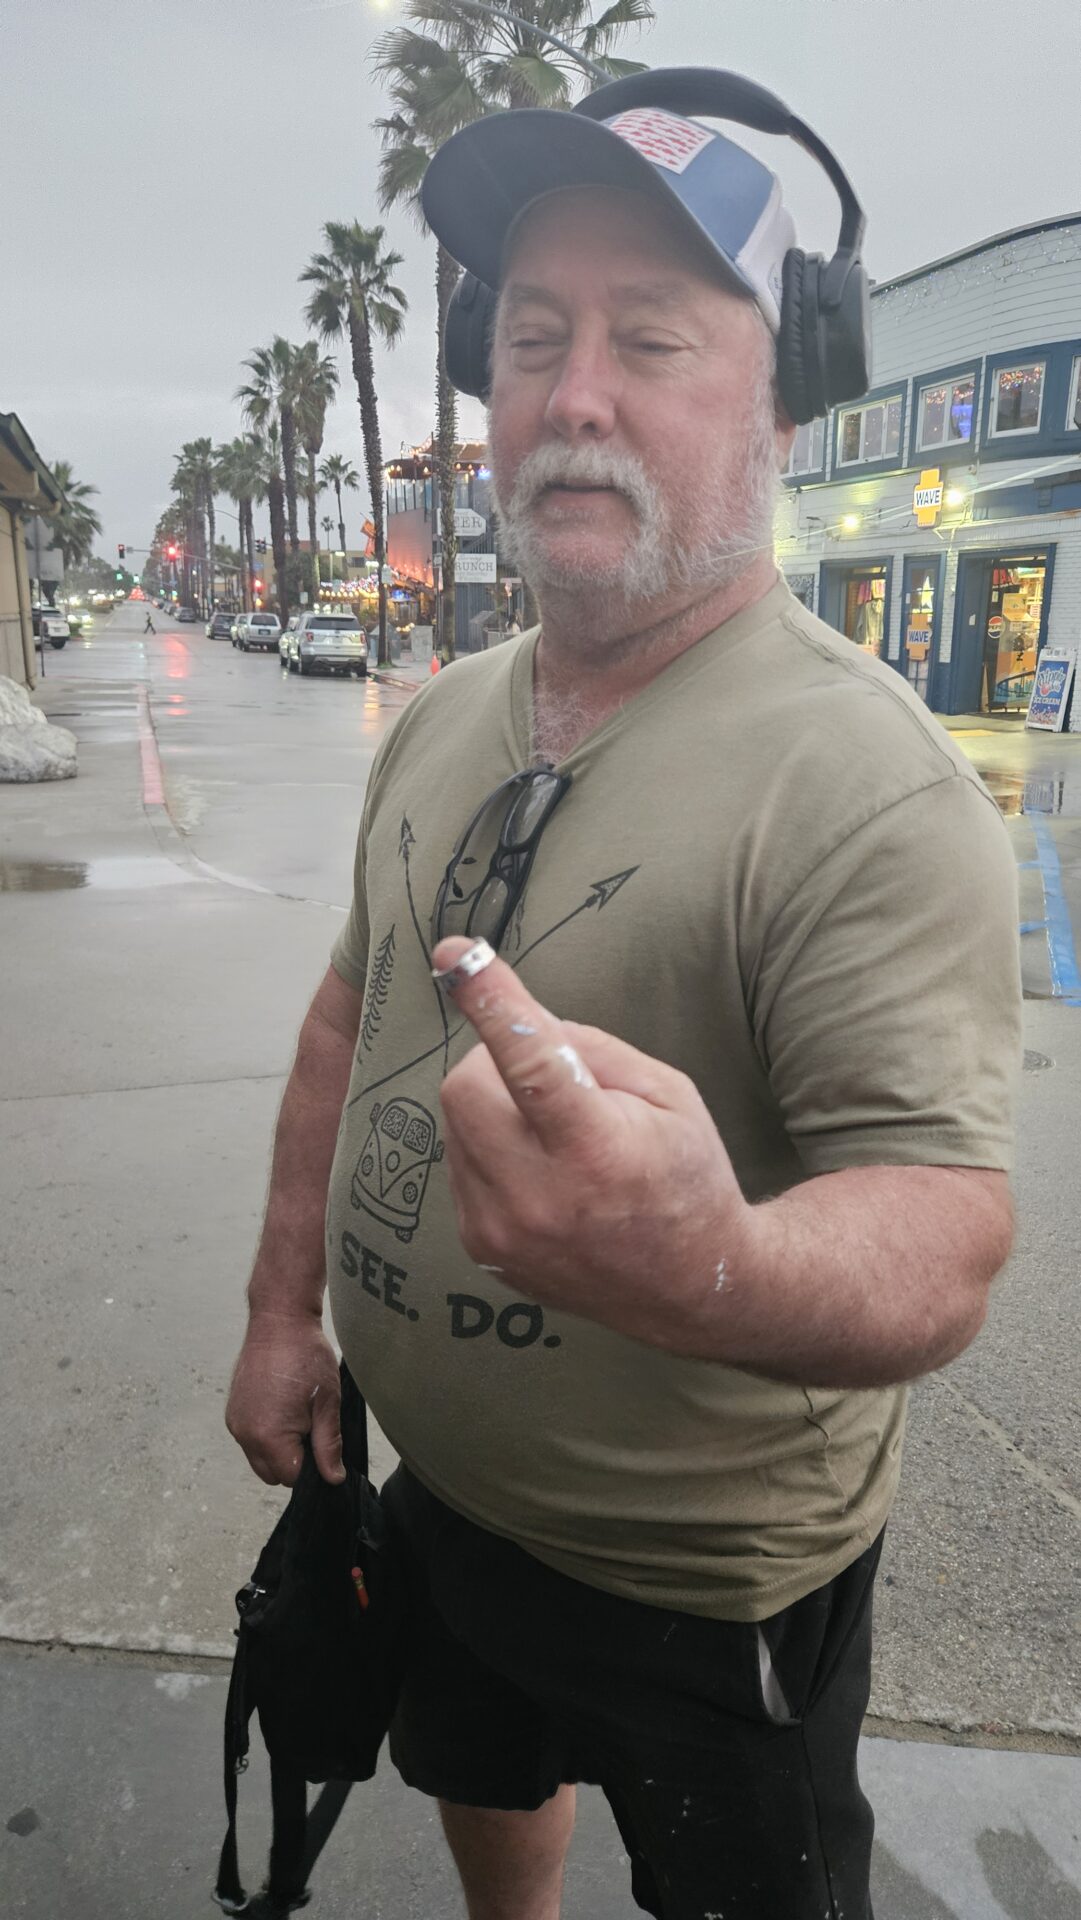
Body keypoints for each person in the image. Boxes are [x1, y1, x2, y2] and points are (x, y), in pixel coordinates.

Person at [226, 83, 1021, 1920]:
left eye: (650, 339)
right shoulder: (444, 712)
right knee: (475, 1765)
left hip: (705, 1579)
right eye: (533, 337)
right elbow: (349, 1019)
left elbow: (943, 1232)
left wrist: (702, 1266)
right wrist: (281, 1313)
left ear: (784, 398)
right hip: (439, 1492)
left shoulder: (866, 788)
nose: (574, 394)